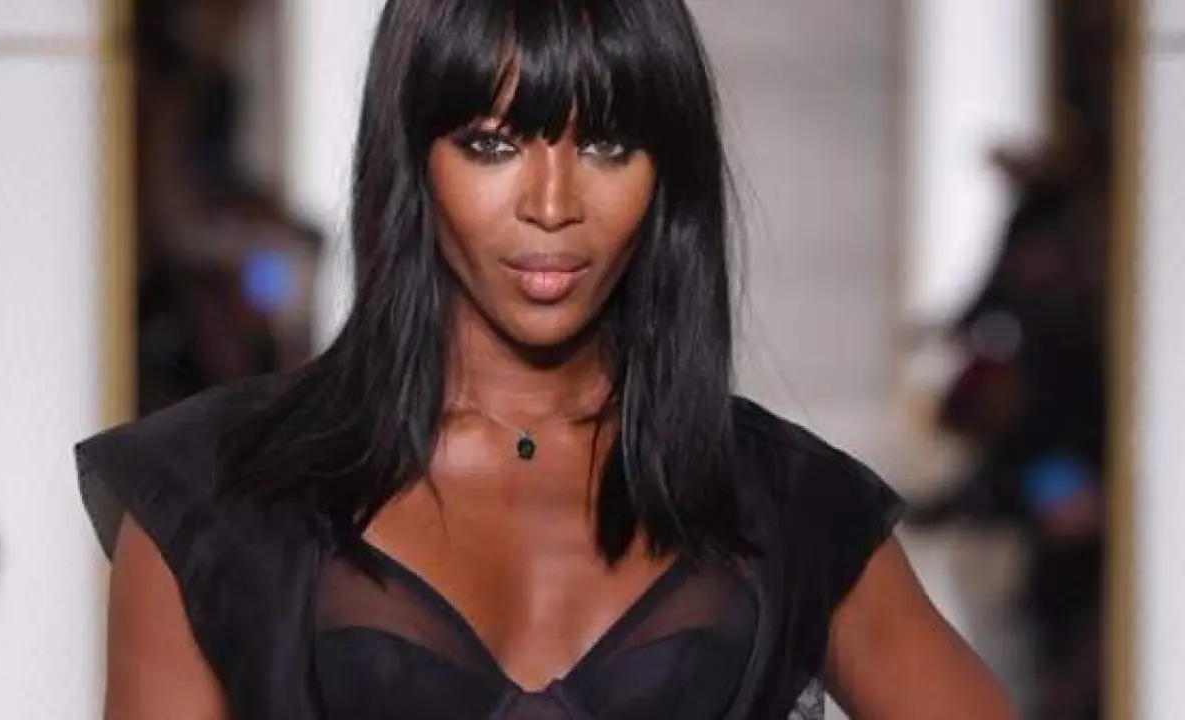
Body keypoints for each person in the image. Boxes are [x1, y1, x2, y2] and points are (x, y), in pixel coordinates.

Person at [76, 0, 1014, 717]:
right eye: (491, 144)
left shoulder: (786, 502)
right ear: (413, 158)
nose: (553, 204)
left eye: (606, 143)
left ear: (667, 172)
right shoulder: (209, 494)